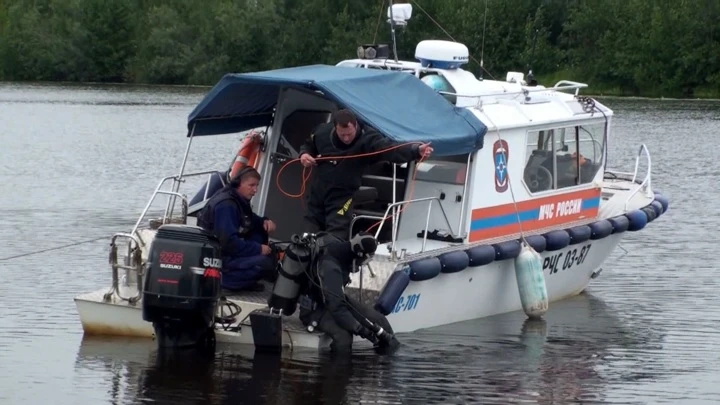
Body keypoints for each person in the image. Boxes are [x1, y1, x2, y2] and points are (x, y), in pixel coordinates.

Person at [299, 109, 433, 240]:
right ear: (335, 127)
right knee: (307, 233)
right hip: (318, 191)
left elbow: (390, 149)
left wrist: (415, 151)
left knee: (335, 235)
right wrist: (304, 155)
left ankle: (330, 258)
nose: (346, 138)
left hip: (343, 195)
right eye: (342, 134)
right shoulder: (322, 132)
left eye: (349, 134)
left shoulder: (368, 138)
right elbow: (309, 145)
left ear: (355, 125)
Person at [299, 231, 399, 353]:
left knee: (379, 320)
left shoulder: (344, 250)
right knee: (344, 337)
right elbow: (337, 309)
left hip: (334, 299)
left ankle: (391, 355)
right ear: (359, 254)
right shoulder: (331, 268)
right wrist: (362, 330)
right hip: (315, 309)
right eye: (364, 261)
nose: (361, 266)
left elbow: (338, 302)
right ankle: (338, 370)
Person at [197, 167, 278, 292]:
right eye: (251, 185)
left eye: (257, 186)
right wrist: (258, 249)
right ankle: (222, 281)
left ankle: (243, 280)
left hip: (227, 252)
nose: (255, 190)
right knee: (266, 264)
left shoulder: (237, 199)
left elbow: (248, 218)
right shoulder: (226, 206)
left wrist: (264, 221)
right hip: (218, 258)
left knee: (261, 236)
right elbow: (228, 242)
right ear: (238, 184)